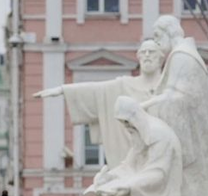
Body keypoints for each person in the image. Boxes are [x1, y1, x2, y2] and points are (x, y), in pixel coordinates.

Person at [36, 37, 164, 168]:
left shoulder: (168, 87)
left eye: (151, 52)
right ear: (139, 57)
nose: (147, 55)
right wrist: (62, 90)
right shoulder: (124, 85)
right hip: (132, 156)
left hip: (162, 155)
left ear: (160, 58)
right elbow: (95, 90)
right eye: (143, 52)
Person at [142, 15, 208, 196]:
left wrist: (143, 108)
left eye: (157, 36)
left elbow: (177, 98)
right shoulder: (181, 55)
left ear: (169, 33)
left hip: (190, 141)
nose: (156, 42)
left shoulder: (183, 56)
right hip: (190, 137)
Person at [87, 97, 185, 196]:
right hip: (146, 188)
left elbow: (158, 174)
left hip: (162, 193)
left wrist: (127, 186)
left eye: (127, 121)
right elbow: (128, 166)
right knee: (105, 193)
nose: (126, 126)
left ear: (136, 117)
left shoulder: (159, 135)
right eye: (123, 122)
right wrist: (109, 177)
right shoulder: (140, 134)